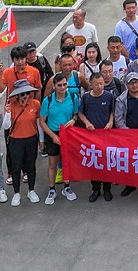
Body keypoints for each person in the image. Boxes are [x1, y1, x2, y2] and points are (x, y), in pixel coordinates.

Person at [39, 72, 80, 204]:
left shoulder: (73, 97)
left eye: (65, 84)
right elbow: (42, 121)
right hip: (53, 133)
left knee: (67, 162)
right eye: (60, 85)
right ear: (54, 86)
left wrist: (73, 120)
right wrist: (52, 136)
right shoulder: (48, 101)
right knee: (52, 164)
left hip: (68, 133)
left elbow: (76, 114)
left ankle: (67, 187)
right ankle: (52, 190)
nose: (63, 87)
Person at [76, 72, 116, 202]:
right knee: (94, 163)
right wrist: (87, 123)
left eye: (101, 84)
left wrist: (110, 122)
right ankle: (96, 189)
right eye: (96, 84)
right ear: (91, 84)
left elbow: (112, 111)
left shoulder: (109, 96)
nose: (99, 86)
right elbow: (80, 113)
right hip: (91, 136)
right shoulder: (86, 97)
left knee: (107, 163)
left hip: (106, 135)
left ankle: (107, 189)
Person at [4, 79, 42, 206]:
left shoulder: (35, 104)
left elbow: (39, 123)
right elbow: (5, 126)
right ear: (17, 95)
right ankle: (16, 193)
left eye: (27, 93)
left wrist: (41, 140)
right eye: (22, 94)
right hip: (16, 141)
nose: (25, 96)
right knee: (16, 167)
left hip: (31, 139)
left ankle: (31, 190)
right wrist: (7, 113)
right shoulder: (12, 106)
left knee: (31, 166)